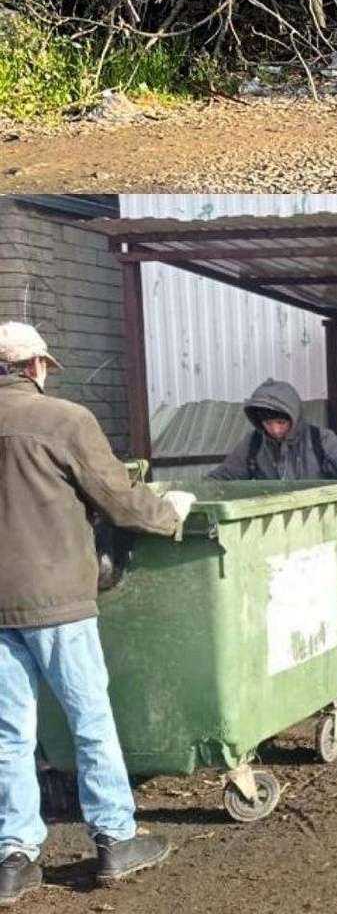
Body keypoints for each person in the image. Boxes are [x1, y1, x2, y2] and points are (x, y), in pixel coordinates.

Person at [0, 321, 196, 905]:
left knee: (9, 733)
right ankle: (116, 838)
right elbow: (118, 497)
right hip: (57, 600)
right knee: (90, 719)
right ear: (36, 367)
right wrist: (170, 514)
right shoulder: (63, 420)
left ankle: (14, 858)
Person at [208, 378, 337, 483]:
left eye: (281, 422)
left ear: (294, 417)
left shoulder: (322, 442)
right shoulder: (253, 445)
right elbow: (221, 479)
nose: (275, 430)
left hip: (320, 529)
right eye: (268, 423)